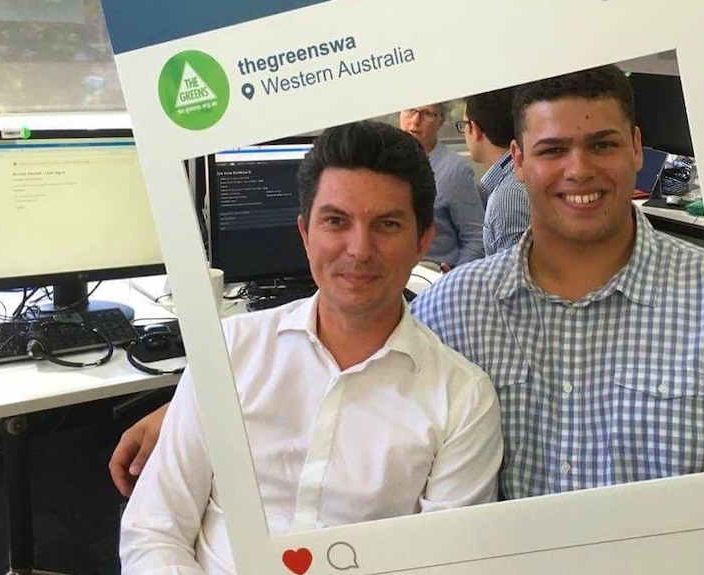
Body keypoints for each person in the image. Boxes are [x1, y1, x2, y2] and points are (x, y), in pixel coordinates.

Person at [412, 66, 704, 572]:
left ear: (637, 148)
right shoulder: (450, 312)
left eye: (602, 145)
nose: (579, 170)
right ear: (519, 161)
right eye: (552, 150)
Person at [119, 121, 503, 574]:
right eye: (336, 221)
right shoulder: (231, 350)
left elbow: (444, 566)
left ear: (422, 240)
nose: (359, 250)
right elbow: (155, 529)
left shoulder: (462, 398)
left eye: (387, 224)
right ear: (305, 234)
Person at [400, 103, 485, 269]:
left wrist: (452, 280)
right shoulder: (381, 163)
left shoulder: (454, 170)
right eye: (410, 110)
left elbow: (476, 238)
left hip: (434, 278)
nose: (416, 120)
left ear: (441, 121)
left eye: (428, 114)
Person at [459, 88, 530, 256]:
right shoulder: (513, 179)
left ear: (474, 129)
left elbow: (512, 277)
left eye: (463, 125)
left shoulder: (508, 196)